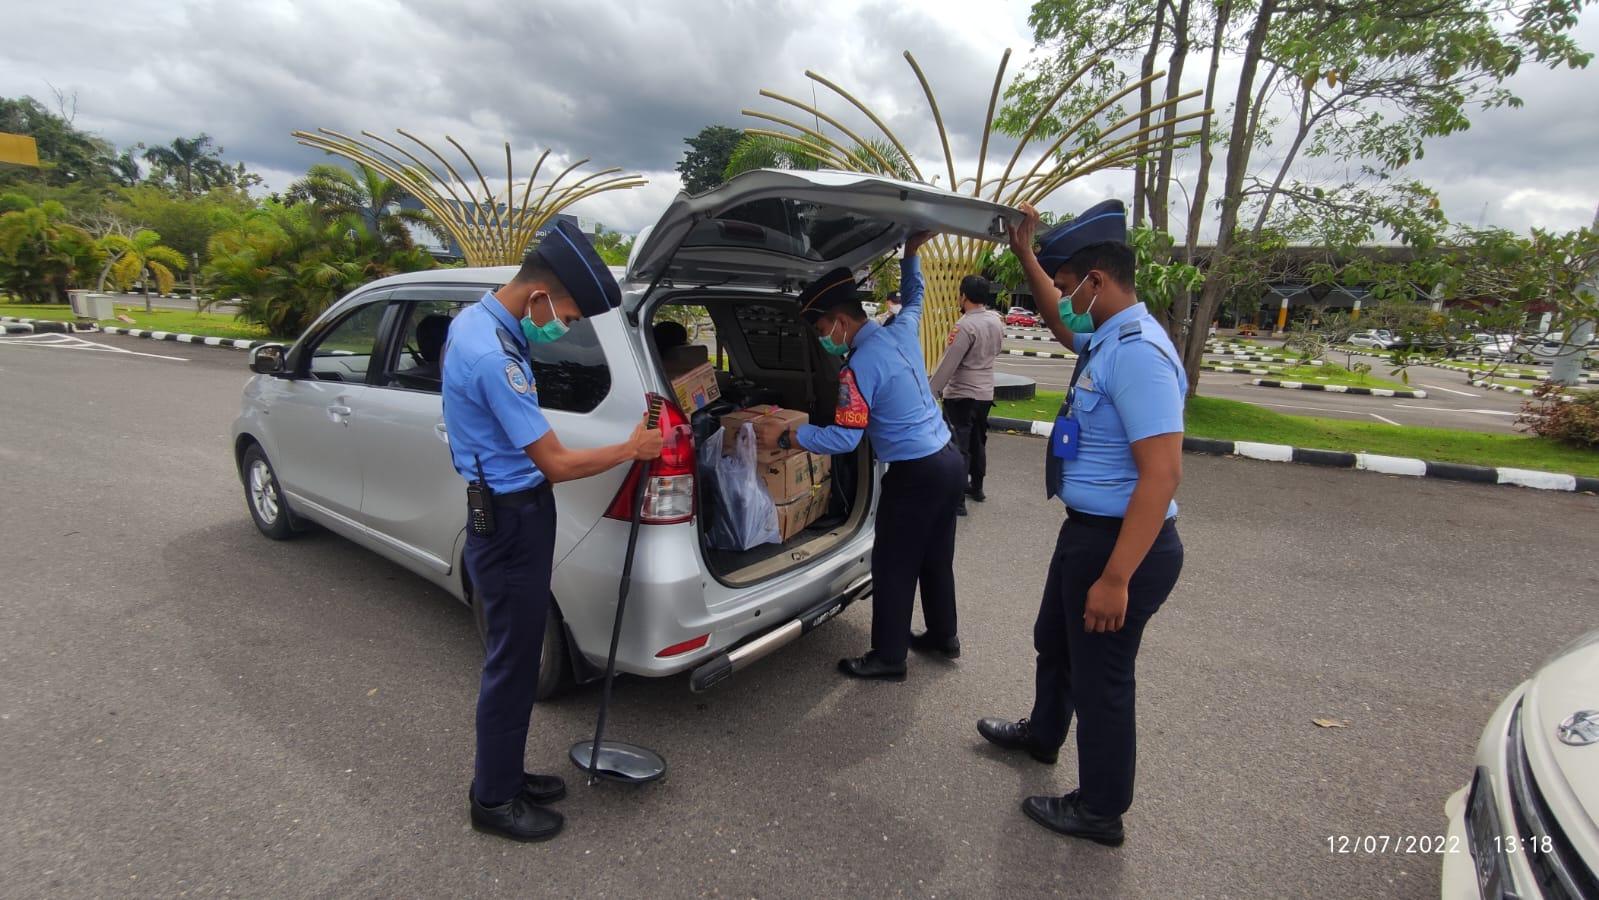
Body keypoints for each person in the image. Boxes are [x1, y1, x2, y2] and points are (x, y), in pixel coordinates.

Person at [442, 220, 664, 842]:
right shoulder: (492, 354)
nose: (562, 326)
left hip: (511, 511)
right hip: (511, 520)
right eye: (564, 313)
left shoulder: (481, 325)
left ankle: (507, 775)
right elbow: (557, 463)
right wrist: (633, 446)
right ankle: (492, 799)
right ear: (539, 295)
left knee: (514, 654)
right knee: (513, 663)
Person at [975, 199, 1186, 847]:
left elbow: (1161, 474)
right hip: (1086, 530)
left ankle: (1100, 810)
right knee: (1055, 640)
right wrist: (1026, 256)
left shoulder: (1139, 355)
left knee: (1101, 681)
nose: (1063, 301)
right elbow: (1062, 324)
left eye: (1070, 288)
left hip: (1120, 545)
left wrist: (1116, 578)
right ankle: (1043, 735)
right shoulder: (1110, 334)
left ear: (1097, 281)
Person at [754, 232, 964, 680]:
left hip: (916, 475)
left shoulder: (857, 369)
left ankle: (889, 658)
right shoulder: (901, 331)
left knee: (894, 562)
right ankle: (944, 636)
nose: (822, 339)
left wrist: (790, 436)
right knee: (935, 556)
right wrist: (911, 254)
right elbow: (915, 296)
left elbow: (846, 440)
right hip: (949, 460)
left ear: (837, 322)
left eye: (820, 330)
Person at [929, 274, 1004, 516]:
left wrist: (932, 390)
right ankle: (977, 487)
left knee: (958, 445)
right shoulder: (995, 321)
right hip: (984, 392)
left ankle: (957, 498)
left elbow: (950, 362)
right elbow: (998, 350)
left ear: (963, 296)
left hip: (961, 393)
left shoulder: (965, 325)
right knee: (978, 441)